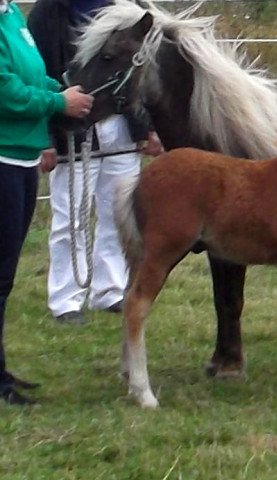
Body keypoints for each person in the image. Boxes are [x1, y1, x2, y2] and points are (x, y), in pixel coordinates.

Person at [28, 0, 162, 325]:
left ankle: (110, 290)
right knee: (70, 214)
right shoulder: (49, 11)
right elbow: (38, 71)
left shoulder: (130, 7)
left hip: (122, 123)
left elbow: (142, 71)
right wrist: (45, 137)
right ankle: (66, 299)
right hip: (72, 122)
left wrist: (147, 128)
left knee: (117, 211)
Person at [0, 0, 94, 404]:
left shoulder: (11, 15)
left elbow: (31, 76)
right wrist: (59, 104)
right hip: (2, 156)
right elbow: (5, 89)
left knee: (4, 276)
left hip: (20, 155)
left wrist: (59, 89)